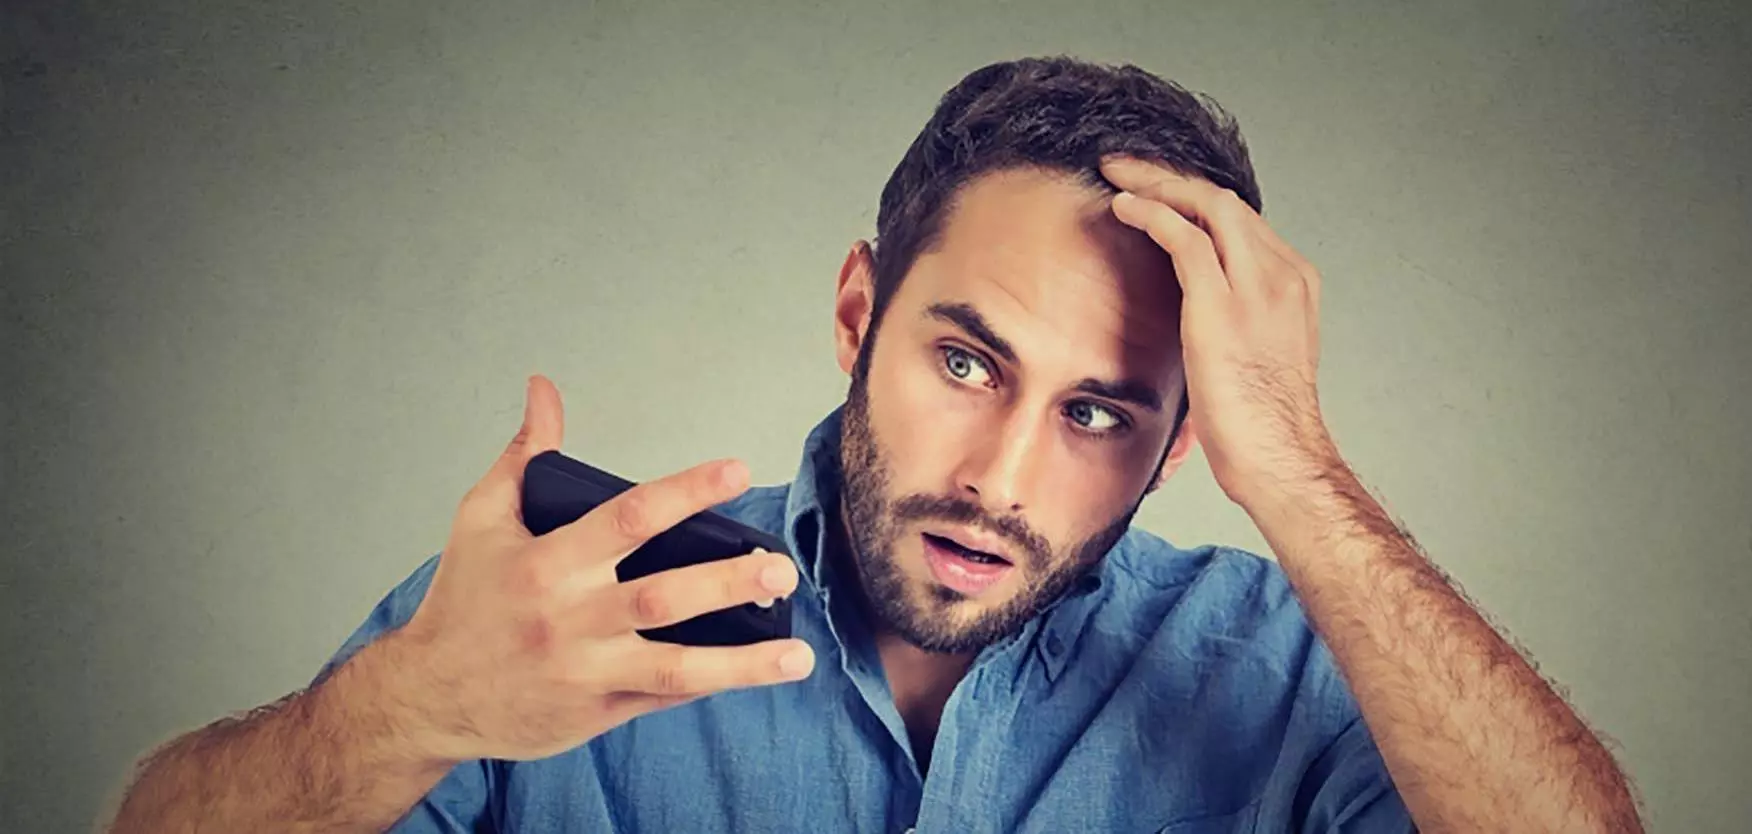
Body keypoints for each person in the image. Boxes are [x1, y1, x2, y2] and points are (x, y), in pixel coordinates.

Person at [105, 56, 1643, 833]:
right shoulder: (555, 615)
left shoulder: (1291, 682)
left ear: (1183, 440)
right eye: (967, 358)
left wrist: (1297, 465)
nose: (1003, 475)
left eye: (1101, 411)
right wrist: (408, 706)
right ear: (858, 309)